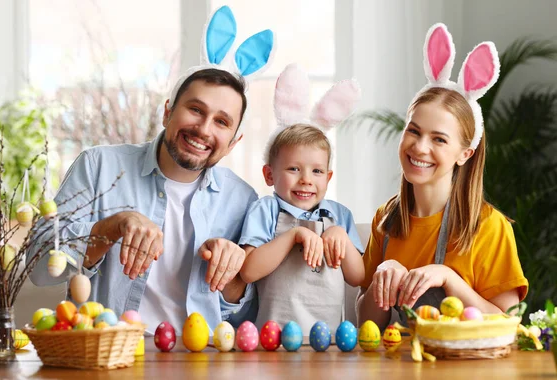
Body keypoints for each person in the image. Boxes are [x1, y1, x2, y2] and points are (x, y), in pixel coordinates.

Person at [26, 5, 276, 334]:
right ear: (167, 112)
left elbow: (245, 321)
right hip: (112, 353)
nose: (203, 129)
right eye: (195, 109)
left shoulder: (243, 200)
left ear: (233, 141)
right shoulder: (98, 166)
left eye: (221, 121)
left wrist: (234, 275)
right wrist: (111, 227)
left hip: (200, 359)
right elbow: (39, 266)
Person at [356, 23, 529, 330]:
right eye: (414, 131)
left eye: (439, 139)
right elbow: (368, 322)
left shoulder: (488, 227)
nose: (420, 148)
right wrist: (383, 275)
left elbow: (510, 327)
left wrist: (449, 279)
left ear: (465, 154)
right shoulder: (386, 220)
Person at [239, 64, 365, 333]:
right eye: (294, 169)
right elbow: (248, 271)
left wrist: (341, 237)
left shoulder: (339, 216)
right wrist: (294, 235)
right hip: (272, 342)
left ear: (328, 178)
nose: (306, 179)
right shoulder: (265, 210)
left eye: (317, 171)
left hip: (329, 344)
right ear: (269, 175)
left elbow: (358, 278)